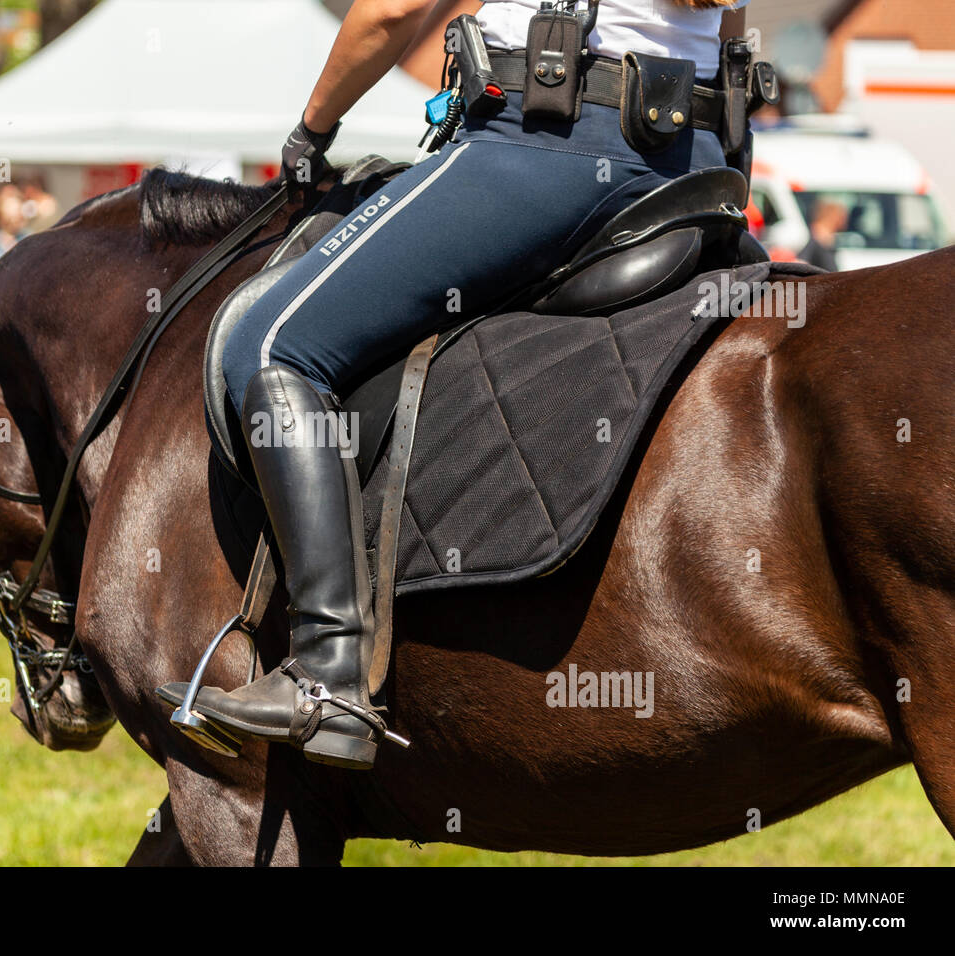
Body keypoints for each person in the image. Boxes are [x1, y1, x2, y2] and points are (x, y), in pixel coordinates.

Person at [162, 0, 752, 770]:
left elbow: (393, 11)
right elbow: (730, 32)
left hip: (549, 146)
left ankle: (328, 669)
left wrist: (312, 131)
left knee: (271, 346)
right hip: (699, 163)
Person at [798, 199, 847, 272]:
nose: (845, 220)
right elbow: (801, 263)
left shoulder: (827, 238)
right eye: (842, 216)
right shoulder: (815, 236)